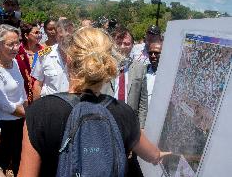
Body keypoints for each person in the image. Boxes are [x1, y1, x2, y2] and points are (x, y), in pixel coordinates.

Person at [18, 27, 170, 177]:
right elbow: (153, 155)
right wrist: (166, 154)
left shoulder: (40, 112)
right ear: (108, 63)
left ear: (69, 60)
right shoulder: (123, 112)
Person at [102, 27, 148, 177]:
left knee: (126, 165)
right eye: (119, 42)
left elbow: (142, 103)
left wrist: (140, 129)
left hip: (129, 126)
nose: (122, 47)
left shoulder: (140, 68)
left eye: (127, 43)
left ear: (132, 45)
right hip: (106, 122)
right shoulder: (102, 66)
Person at [0, 24, 27, 176]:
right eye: (10, 44)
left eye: (17, 43)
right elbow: (3, 104)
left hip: (20, 120)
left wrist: (26, 111)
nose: (15, 48)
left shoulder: (14, 62)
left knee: (20, 161)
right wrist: (27, 114)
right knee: (3, 162)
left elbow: (21, 90)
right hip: (6, 124)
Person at [32, 19, 74, 100]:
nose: (65, 40)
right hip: (49, 106)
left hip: (71, 105)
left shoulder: (80, 55)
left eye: (68, 36)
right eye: (61, 36)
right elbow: (37, 84)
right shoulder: (44, 54)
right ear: (56, 36)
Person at [16, 22, 44, 103]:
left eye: (40, 32)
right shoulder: (18, 50)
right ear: (26, 35)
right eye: (36, 33)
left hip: (38, 89)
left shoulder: (44, 50)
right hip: (22, 89)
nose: (39, 35)